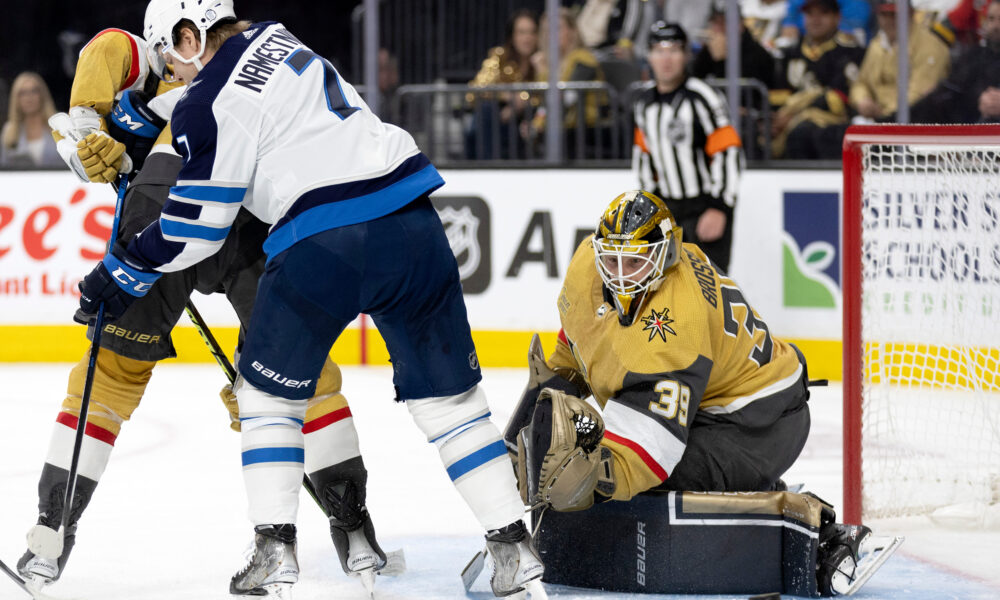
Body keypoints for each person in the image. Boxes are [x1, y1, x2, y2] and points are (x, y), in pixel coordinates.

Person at [78, 1, 542, 597]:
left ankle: (274, 550)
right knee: (451, 402)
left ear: (191, 37)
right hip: (415, 224)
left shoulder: (205, 101)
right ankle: (510, 544)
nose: (172, 69)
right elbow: (253, 102)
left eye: (171, 53)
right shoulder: (282, 37)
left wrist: (120, 269)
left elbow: (198, 228)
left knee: (265, 396)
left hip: (325, 241)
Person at [17, 25, 390, 595]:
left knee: (108, 380)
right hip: (242, 211)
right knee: (298, 372)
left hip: (164, 208)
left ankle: (49, 537)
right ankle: (354, 530)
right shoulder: (243, 48)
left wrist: (88, 128)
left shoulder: (164, 51)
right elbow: (113, 51)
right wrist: (90, 131)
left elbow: (111, 46)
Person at [501, 190, 898, 596]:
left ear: (665, 255)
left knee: (654, 478)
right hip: (716, 396)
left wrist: (589, 475)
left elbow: (647, 454)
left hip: (762, 420)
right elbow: (579, 345)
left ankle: (815, 533)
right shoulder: (588, 262)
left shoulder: (677, 324)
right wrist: (533, 427)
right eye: (613, 259)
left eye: (635, 261)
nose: (620, 273)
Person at [632, 22, 743, 273]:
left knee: (709, 290)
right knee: (665, 290)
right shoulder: (644, 103)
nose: (666, 58)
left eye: (674, 50)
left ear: (686, 55)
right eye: (659, 50)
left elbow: (728, 151)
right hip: (667, 211)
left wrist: (719, 206)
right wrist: (649, 209)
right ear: (649, 56)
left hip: (704, 206)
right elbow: (644, 158)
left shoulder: (703, 97)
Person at [771, 0, 865, 158]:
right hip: (787, 122)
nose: (816, 19)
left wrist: (795, 115)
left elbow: (839, 100)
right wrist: (774, 119)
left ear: (837, 17)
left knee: (802, 133)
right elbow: (778, 93)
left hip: (831, 124)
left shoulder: (850, 53)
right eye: (810, 14)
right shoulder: (789, 53)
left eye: (823, 13)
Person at [848, 0, 951, 122]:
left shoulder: (930, 46)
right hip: (877, 118)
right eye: (884, 15)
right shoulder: (878, 43)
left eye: (895, 15)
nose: (889, 21)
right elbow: (861, 82)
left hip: (917, 123)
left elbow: (919, 95)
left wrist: (883, 114)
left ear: (911, 14)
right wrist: (863, 100)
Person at [531, 7, 607, 158]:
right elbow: (543, 106)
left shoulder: (584, 59)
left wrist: (543, 73)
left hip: (587, 130)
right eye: (547, 30)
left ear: (572, 31)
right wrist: (535, 124)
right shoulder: (550, 64)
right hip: (563, 130)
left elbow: (566, 100)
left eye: (557, 28)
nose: (551, 35)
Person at [465, 8, 539, 159]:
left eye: (532, 32)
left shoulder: (543, 60)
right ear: (512, 36)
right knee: (486, 110)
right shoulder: (500, 57)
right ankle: (487, 166)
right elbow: (476, 90)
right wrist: (510, 98)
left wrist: (521, 104)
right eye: (522, 32)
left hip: (533, 115)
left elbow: (547, 95)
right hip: (500, 119)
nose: (528, 38)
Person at [911, 0, 1000, 123]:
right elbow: (951, 89)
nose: (996, 26)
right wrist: (938, 93)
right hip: (968, 128)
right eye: (991, 19)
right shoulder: (975, 56)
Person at [0, 72, 61, 168]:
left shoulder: (60, 125)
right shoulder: (9, 131)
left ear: (42, 95)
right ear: (16, 98)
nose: (29, 97)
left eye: (34, 91)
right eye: (23, 93)